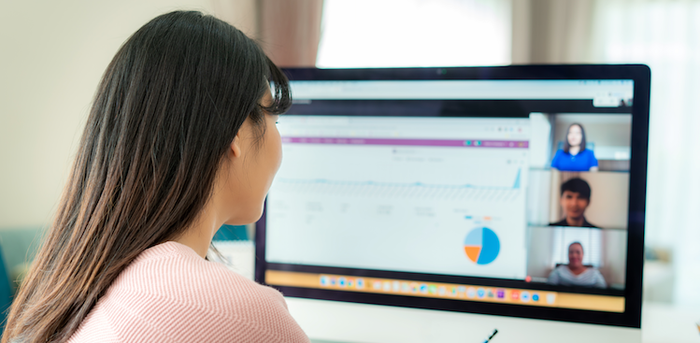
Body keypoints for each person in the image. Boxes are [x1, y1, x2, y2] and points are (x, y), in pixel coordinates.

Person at [2, 11, 309, 343]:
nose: (278, 142)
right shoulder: (248, 315)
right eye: (273, 120)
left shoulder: (75, 291)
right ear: (235, 133)